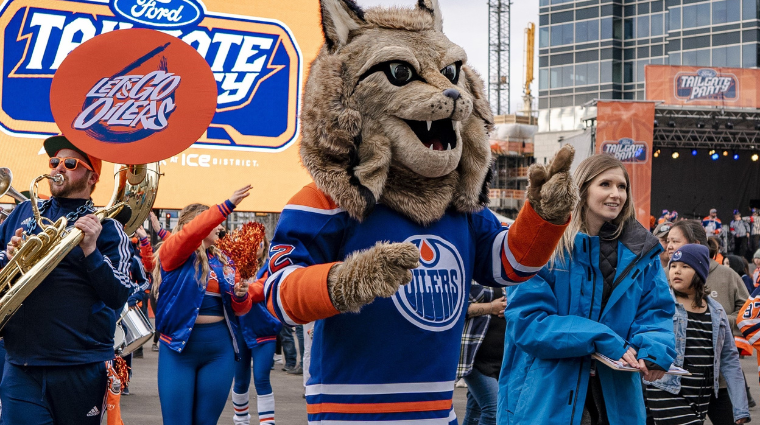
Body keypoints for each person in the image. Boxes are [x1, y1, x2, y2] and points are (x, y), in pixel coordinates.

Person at [498, 154, 676, 425]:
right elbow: (528, 324)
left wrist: (654, 349)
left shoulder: (642, 253)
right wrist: (602, 337)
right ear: (582, 189)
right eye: (605, 184)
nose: (616, 194)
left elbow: (655, 313)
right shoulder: (545, 248)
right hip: (547, 398)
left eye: (622, 186)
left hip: (616, 399)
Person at [0, 135, 135, 425]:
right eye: (54, 162)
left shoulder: (109, 228)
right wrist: (8, 260)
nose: (58, 168)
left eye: (70, 163)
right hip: (22, 364)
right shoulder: (25, 212)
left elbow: (119, 294)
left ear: (92, 177)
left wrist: (90, 250)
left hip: (81, 366)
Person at [153, 185, 255, 425]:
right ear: (199, 225)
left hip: (219, 351)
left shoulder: (225, 261)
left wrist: (241, 296)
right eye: (214, 222)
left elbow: (241, 309)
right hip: (178, 348)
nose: (220, 227)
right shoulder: (174, 254)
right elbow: (190, 235)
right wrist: (226, 205)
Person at [644, 244, 750, 424]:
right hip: (665, 391)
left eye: (685, 266)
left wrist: (740, 408)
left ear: (700, 272)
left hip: (701, 397)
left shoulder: (717, 311)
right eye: (674, 266)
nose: (676, 271)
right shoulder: (662, 303)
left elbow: (729, 359)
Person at [665, 219, 755, 418]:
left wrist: (723, 323)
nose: (669, 246)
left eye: (675, 241)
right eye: (668, 241)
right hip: (672, 389)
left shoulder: (726, 279)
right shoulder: (664, 282)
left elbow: (747, 311)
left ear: (696, 245)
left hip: (716, 382)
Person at [231, 235, 282, 425]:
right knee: (240, 381)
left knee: (261, 379)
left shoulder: (271, 267)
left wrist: (245, 290)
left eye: (259, 243)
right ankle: (241, 421)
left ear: (265, 245)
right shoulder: (234, 266)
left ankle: (267, 423)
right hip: (240, 331)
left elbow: (264, 289)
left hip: (264, 331)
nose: (255, 247)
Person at [457, 282, 506, 425]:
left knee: (475, 411)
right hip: (474, 357)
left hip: (500, 356)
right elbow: (453, 308)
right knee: (493, 410)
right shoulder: (468, 271)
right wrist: (491, 307)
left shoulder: (507, 273)